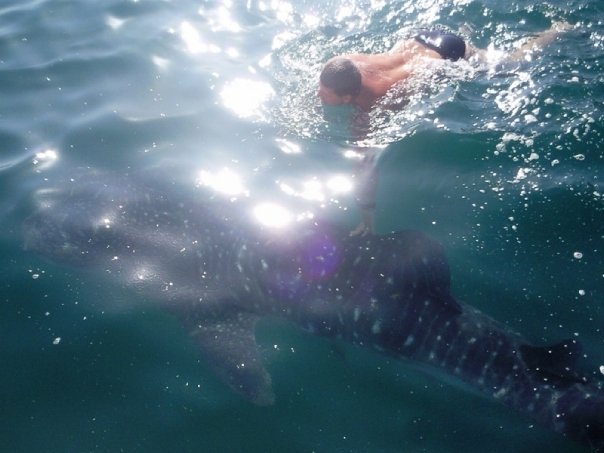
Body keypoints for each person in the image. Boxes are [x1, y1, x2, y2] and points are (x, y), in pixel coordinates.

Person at [318, 24, 570, 111]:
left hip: (449, 55)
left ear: (348, 97)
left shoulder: (370, 103)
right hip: (423, 37)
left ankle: (557, 31)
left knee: (511, 62)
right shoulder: (340, 65)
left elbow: (364, 157)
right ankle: (465, 33)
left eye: (325, 94)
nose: (318, 94)